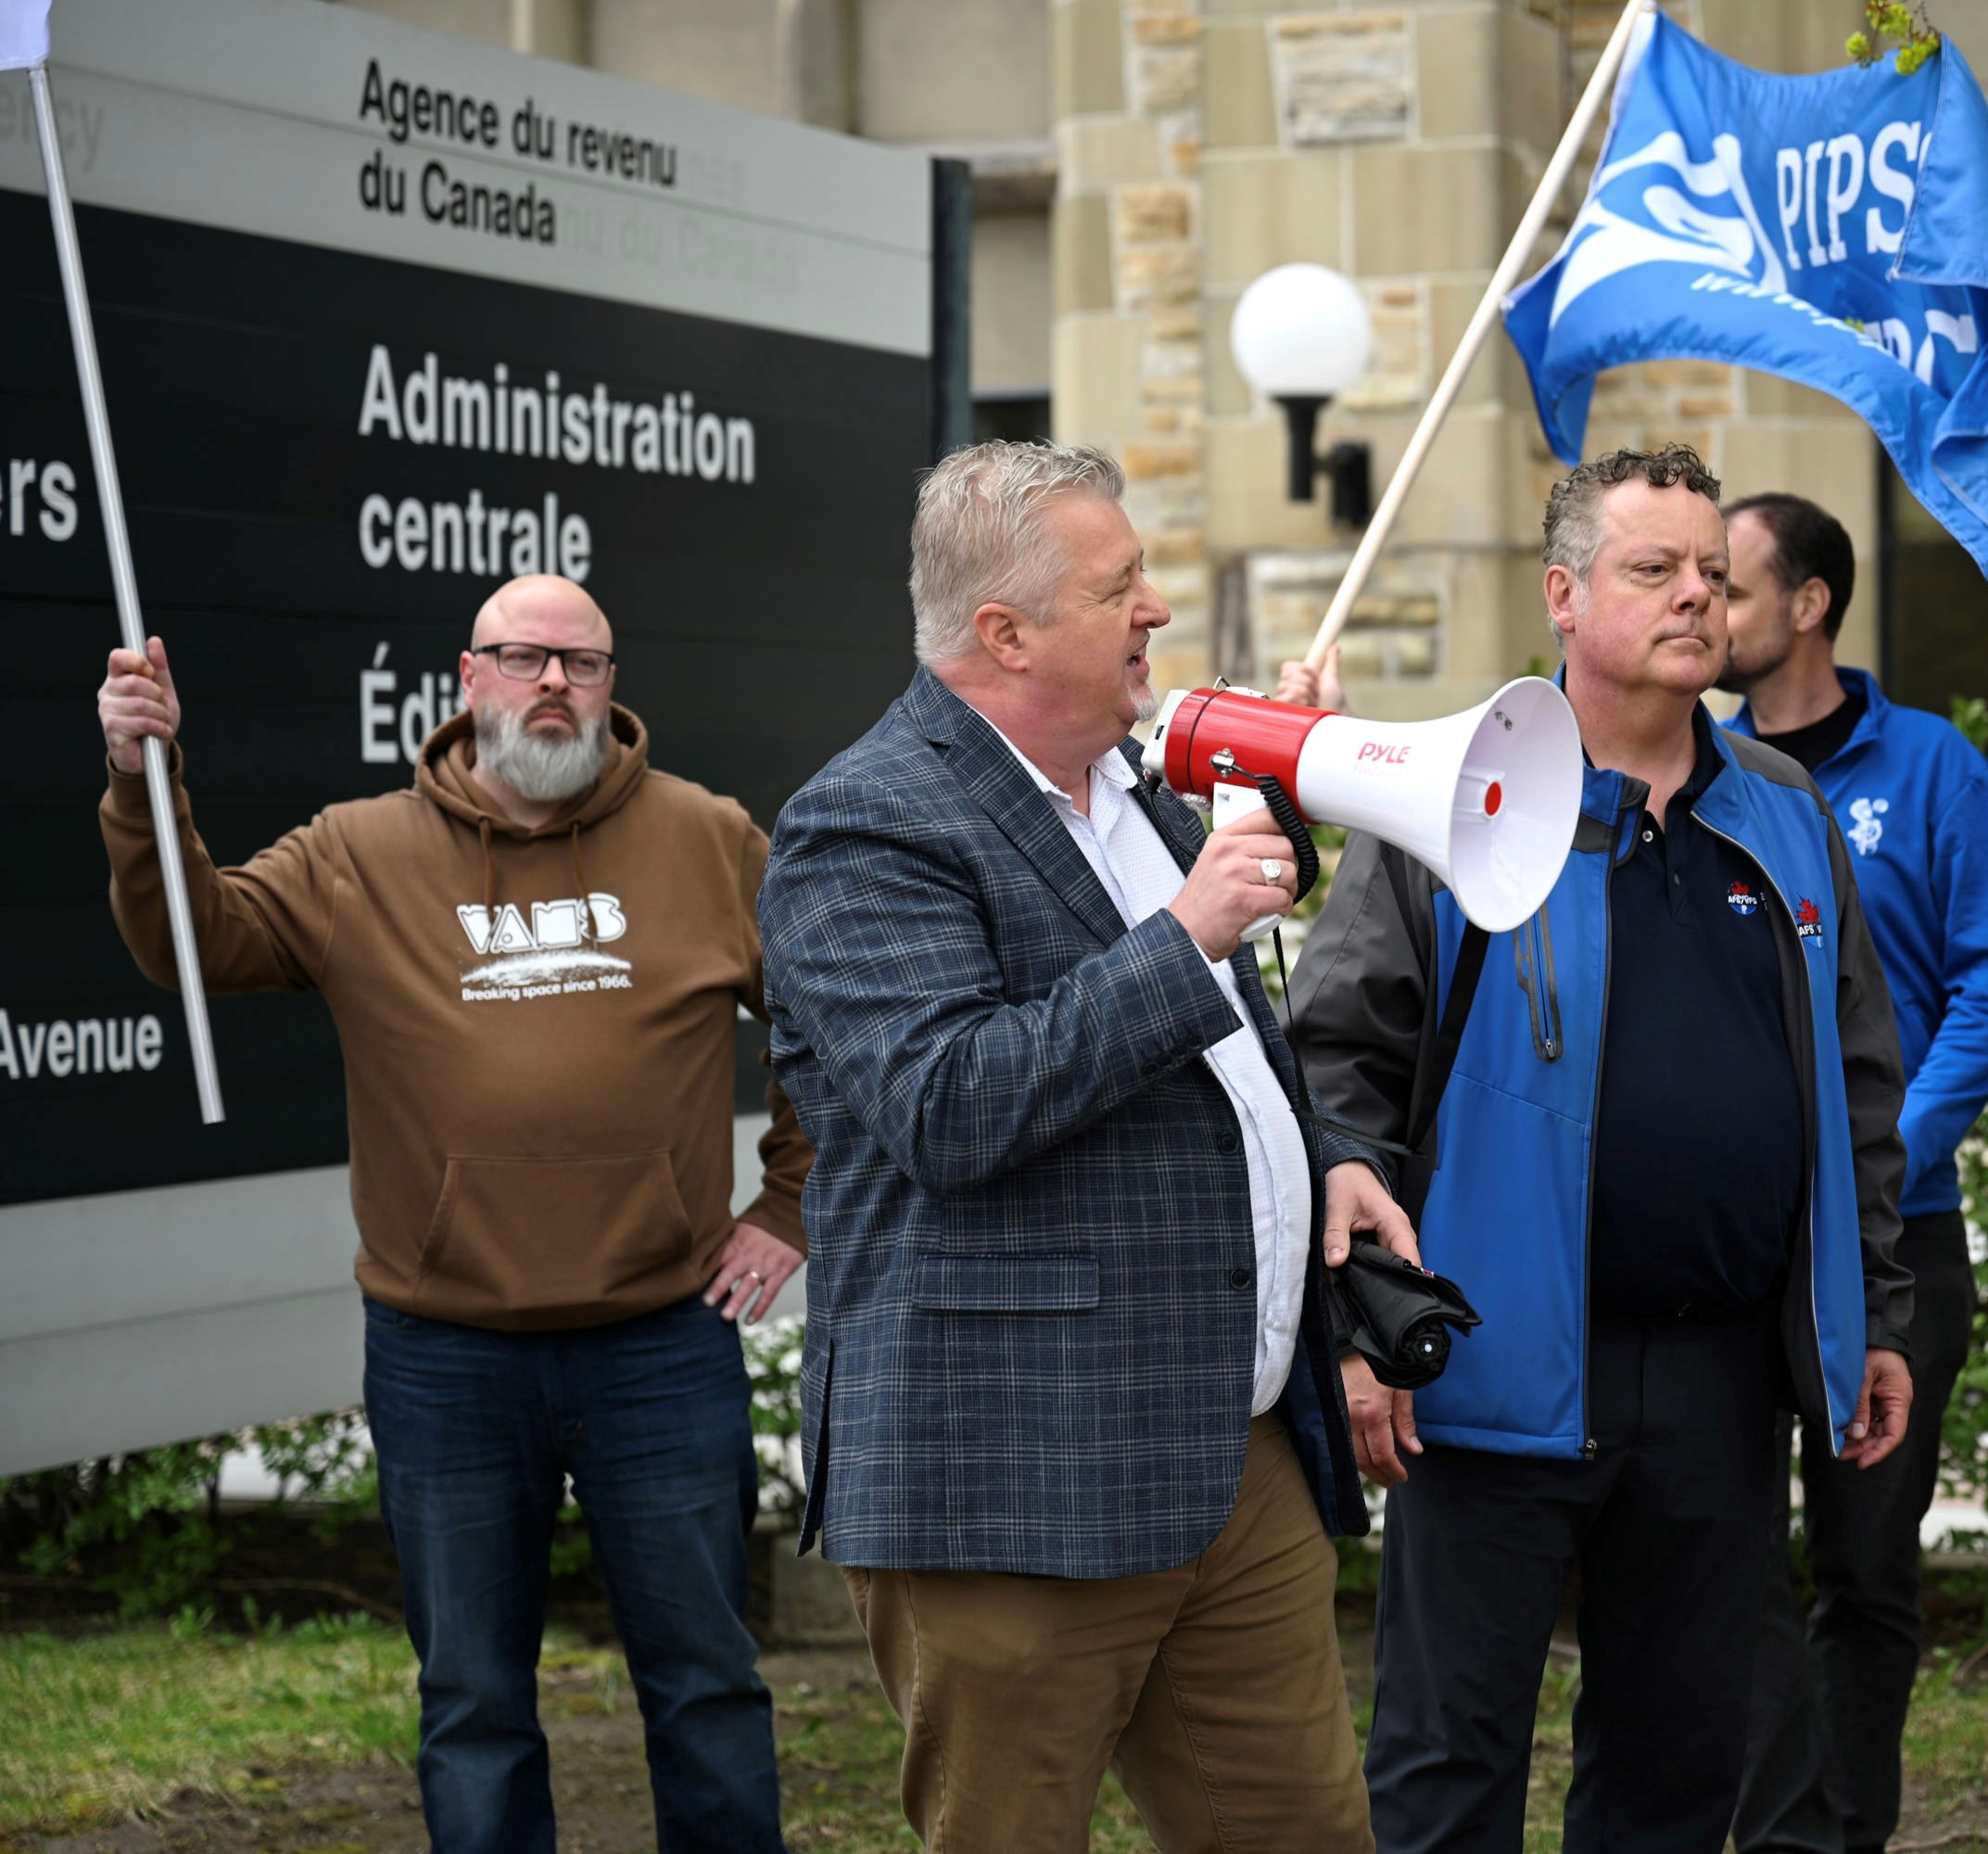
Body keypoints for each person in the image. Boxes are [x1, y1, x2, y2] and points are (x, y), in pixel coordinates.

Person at [754, 439, 1411, 1850]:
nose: (1156, 611)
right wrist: (1187, 936)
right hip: (1012, 1479)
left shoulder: (1139, 792)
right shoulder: (864, 823)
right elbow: (949, 1102)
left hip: (1230, 1465)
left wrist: (1326, 1153)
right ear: (1005, 632)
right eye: (1120, 587)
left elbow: (1227, 1061)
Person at [96, 575, 806, 1853]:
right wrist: (143, 783)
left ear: (610, 683)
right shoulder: (357, 852)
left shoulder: (707, 840)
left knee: (706, 1684)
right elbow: (194, 945)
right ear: (468, 679)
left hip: (660, 1341)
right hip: (447, 1354)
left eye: (580, 664)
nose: (553, 685)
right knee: (473, 1699)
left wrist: (791, 1204)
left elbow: (828, 1022)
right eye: (524, 659)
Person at [1287, 444, 1917, 1854]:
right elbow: (1341, 1078)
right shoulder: (1451, 800)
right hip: (1487, 1364)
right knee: (1448, 1771)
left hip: (1718, 1381)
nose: (1697, 596)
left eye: (1713, 572)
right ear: (1565, 599)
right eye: (1654, 570)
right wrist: (1357, 1333)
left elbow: (1856, 1089)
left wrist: (1873, 1311)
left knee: (1676, 1777)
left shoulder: (1787, 817)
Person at [1714, 492, 1988, 1854]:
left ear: (1810, 604)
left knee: (1864, 1568)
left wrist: (1890, 1149)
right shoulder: (1702, 778)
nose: (1698, 608)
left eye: (1725, 585)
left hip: (1897, 1249)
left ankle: (1848, 1831)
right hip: (1734, 1251)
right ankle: (1763, 1823)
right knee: (1721, 1561)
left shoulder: (1936, 767)